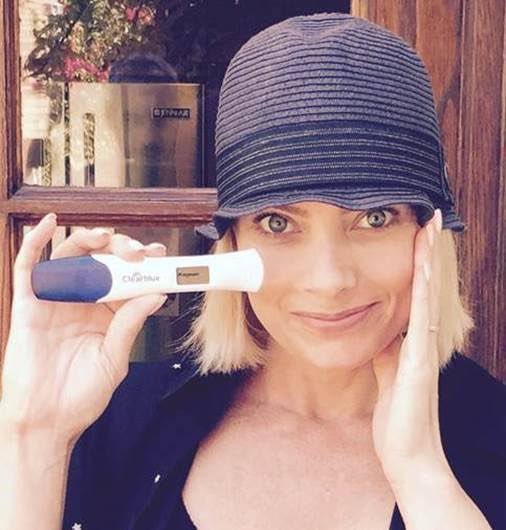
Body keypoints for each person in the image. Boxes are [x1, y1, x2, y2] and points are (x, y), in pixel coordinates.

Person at [1, 12, 504, 530]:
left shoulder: (494, 443)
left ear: (428, 231)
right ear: (233, 240)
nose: (328, 280)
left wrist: (422, 475)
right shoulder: (116, 426)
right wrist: (33, 435)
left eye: (374, 218)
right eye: (278, 222)